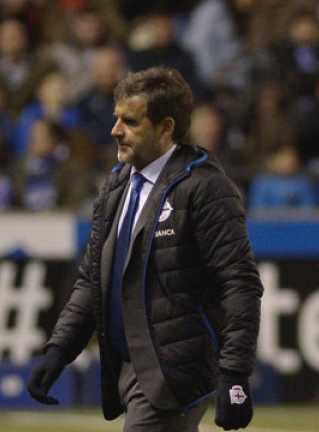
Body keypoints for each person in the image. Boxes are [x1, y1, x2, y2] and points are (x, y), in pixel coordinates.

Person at [27, 66, 263, 431]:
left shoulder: (204, 189)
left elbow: (240, 283)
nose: (115, 130)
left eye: (130, 122)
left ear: (166, 128)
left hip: (173, 371)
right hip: (128, 367)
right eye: (116, 118)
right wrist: (59, 352)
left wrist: (234, 373)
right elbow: (93, 280)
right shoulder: (115, 188)